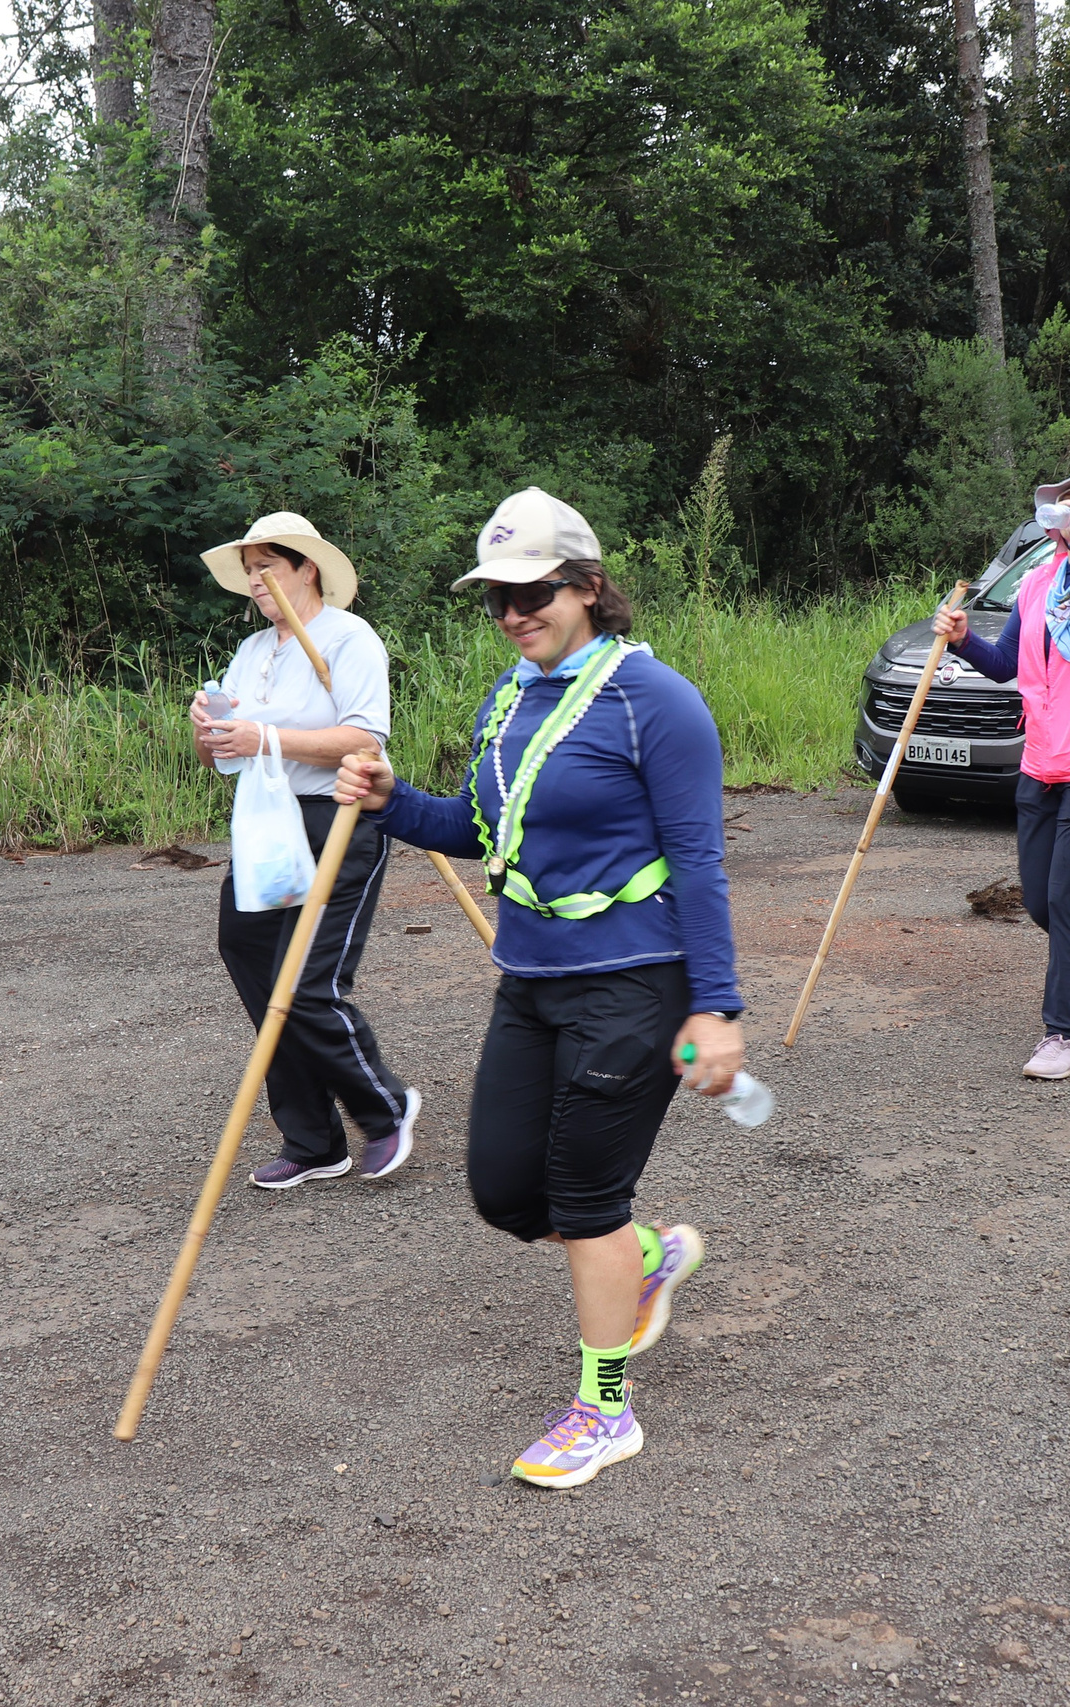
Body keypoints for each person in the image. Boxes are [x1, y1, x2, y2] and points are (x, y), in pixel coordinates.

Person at [331, 487, 737, 1489]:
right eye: (496, 600)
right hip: (532, 978)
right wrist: (390, 804)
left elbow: (699, 862)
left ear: (589, 588)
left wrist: (716, 1008)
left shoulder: (658, 704)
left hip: (635, 986)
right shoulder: (510, 700)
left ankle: (604, 1411)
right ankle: (644, 1258)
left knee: (586, 1197)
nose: (514, 613)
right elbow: (482, 833)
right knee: (507, 1192)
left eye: (533, 592)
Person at [191, 512, 419, 1189]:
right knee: (254, 964)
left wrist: (261, 736)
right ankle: (314, 1139)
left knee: (307, 983)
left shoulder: (348, 638)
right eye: (250, 568)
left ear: (306, 568)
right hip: (266, 821)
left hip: (338, 816)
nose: (256, 580)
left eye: (270, 566)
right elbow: (222, 755)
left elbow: (364, 741)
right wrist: (211, 733)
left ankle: (387, 1109)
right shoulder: (254, 652)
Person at [931, 465, 1070, 1080]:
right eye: (1064, 502)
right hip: (1043, 764)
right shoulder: (1037, 583)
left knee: (1068, 900)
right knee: (1042, 902)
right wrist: (961, 641)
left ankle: (1064, 1036)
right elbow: (1006, 662)